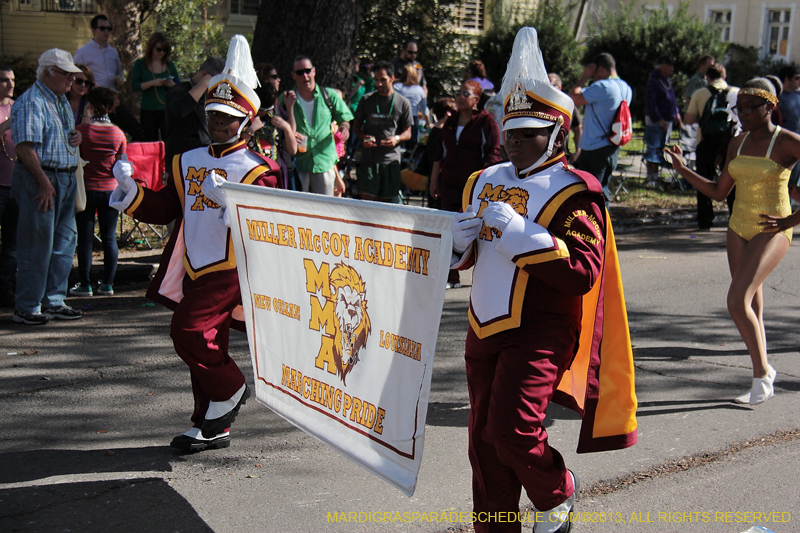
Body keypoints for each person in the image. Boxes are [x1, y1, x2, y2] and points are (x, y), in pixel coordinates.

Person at [450, 27, 636, 533]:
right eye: (510, 131)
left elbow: (581, 271)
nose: (515, 141)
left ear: (557, 133)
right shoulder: (483, 180)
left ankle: (557, 490)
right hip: (482, 324)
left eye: (529, 132)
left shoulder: (577, 191)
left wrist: (519, 234)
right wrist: (456, 246)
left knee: (511, 431)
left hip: (541, 327)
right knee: (482, 443)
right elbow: (466, 260)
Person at [110, 36, 281, 452]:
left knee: (187, 331)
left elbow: (271, 230)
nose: (220, 123)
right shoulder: (187, 160)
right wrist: (131, 190)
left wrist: (236, 207)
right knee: (208, 342)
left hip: (232, 270)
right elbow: (168, 207)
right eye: (215, 115)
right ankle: (212, 424)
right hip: (192, 264)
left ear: (244, 120)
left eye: (228, 117)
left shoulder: (261, 170)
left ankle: (233, 387)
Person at [667, 78, 800, 405]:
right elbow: (718, 191)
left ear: (769, 107)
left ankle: (761, 375)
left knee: (736, 299)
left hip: (773, 229)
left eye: (748, 109)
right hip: (738, 227)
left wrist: (790, 220)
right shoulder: (737, 143)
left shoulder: (787, 142)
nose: (741, 114)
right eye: (737, 108)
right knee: (751, 300)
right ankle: (764, 370)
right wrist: (683, 169)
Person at [10, 49, 84, 325]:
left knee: (64, 242)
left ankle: (53, 301)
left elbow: (57, 135)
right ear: (48, 73)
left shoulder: (59, 100)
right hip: (42, 178)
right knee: (37, 245)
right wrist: (42, 183)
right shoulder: (32, 102)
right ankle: (28, 306)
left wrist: (74, 136)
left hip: (61, 176)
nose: (72, 80)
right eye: (66, 74)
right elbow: (24, 148)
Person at [429, 80, 500, 288]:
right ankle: (451, 277)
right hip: (449, 184)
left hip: (474, 187)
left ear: (476, 100)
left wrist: (484, 185)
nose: (460, 97)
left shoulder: (487, 122)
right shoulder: (449, 122)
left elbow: (492, 156)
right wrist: (434, 180)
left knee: (475, 231)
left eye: (466, 94)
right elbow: (439, 153)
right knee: (449, 228)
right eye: (458, 93)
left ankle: (483, 277)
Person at [70, 87, 126, 297]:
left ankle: (85, 284)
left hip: (86, 190)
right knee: (109, 237)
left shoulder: (81, 131)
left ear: (90, 105)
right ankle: (108, 284)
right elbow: (121, 165)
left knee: (84, 239)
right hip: (110, 190)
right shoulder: (118, 134)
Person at [280, 55, 353, 196]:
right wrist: (287, 135)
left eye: (307, 71)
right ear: (293, 76)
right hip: (298, 164)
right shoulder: (286, 99)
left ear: (314, 71)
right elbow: (275, 124)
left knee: (324, 210)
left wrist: (345, 127)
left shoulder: (329, 95)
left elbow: (344, 118)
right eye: (300, 72)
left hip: (324, 162)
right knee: (298, 210)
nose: (305, 76)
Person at [568, 53, 632, 201]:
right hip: (613, 146)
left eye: (593, 72)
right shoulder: (626, 87)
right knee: (603, 192)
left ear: (601, 69)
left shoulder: (602, 86)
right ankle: (605, 223)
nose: (592, 76)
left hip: (594, 149)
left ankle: (595, 224)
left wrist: (584, 77)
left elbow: (573, 98)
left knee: (589, 194)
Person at [352, 61, 413, 202]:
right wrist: (363, 137)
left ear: (392, 78)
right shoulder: (367, 100)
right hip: (369, 160)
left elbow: (408, 133)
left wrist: (396, 139)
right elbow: (356, 127)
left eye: (383, 80)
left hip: (391, 161)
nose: (379, 84)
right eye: (376, 80)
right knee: (367, 201)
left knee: (386, 203)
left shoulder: (403, 102)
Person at [685, 64, 737, 229]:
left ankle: (705, 220)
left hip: (706, 142)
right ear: (724, 76)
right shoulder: (736, 92)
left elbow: (689, 119)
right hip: (731, 143)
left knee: (703, 181)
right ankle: (736, 220)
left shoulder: (700, 93)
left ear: (707, 77)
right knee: (733, 182)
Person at [74, 15, 142, 140]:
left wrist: (118, 80)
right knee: (93, 134)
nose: (106, 32)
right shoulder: (83, 52)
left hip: (111, 97)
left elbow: (119, 75)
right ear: (93, 30)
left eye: (109, 29)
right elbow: (75, 76)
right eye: (102, 28)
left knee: (135, 128)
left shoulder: (113, 52)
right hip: (93, 99)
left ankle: (128, 156)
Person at [164, 56, 225, 166]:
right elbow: (180, 110)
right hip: (180, 160)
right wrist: (204, 83)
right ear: (205, 74)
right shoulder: (178, 90)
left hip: (205, 159)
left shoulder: (212, 95)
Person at [244, 65, 297, 189]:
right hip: (252, 174)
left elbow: (292, 149)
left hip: (275, 175)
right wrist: (250, 130)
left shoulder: (275, 116)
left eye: (267, 110)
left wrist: (287, 128)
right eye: (261, 110)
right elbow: (237, 146)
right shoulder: (246, 117)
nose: (264, 114)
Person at [131, 32, 180, 141]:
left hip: (166, 110)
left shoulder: (170, 65)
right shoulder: (140, 64)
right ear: (151, 48)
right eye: (158, 49)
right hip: (148, 110)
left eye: (164, 50)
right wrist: (153, 83)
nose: (161, 52)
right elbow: (135, 86)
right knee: (149, 141)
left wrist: (171, 84)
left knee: (169, 141)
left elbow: (179, 87)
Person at [643, 56, 681, 186]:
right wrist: (660, 120)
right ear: (662, 66)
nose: (672, 68)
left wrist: (676, 113)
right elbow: (651, 103)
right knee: (653, 148)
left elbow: (672, 99)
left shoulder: (667, 81)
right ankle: (651, 177)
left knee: (661, 148)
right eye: (669, 65)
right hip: (656, 121)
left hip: (668, 120)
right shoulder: (653, 81)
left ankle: (656, 176)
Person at [0, 64, 16, 308]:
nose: (11, 84)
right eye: (4, 80)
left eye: (12, 79)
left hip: (17, 185)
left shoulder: (17, 106)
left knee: (13, 244)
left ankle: (6, 292)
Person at [548, 73, 583, 164]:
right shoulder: (539, 105)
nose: (548, 88)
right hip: (539, 155)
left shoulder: (568, 105)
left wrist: (578, 150)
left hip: (561, 156)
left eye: (551, 85)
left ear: (559, 87)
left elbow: (577, 128)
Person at [392, 63, 427, 146]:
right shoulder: (419, 89)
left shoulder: (396, 87)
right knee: (411, 144)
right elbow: (424, 109)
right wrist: (428, 123)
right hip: (413, 119)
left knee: (397, 142)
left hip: (397, 118)